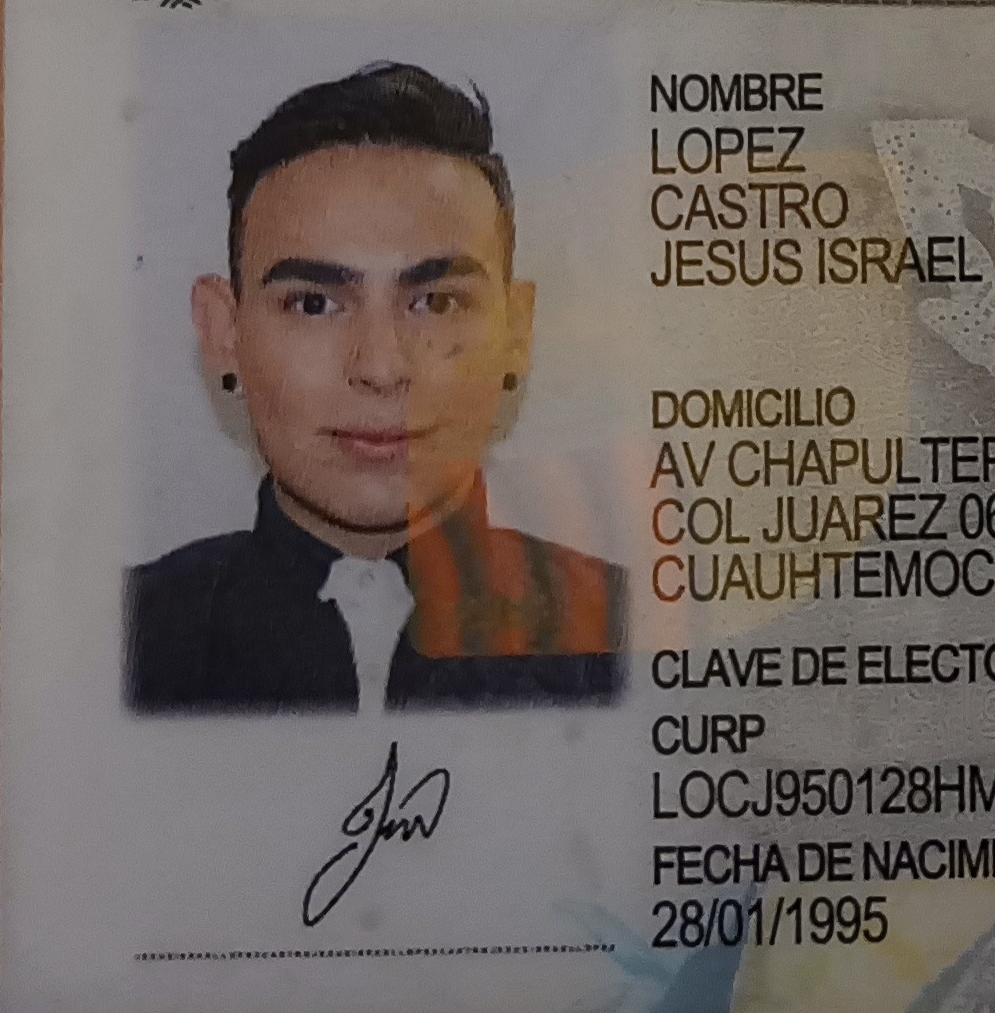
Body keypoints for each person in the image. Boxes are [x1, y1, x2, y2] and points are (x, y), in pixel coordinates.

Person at [127, 63, 623, 711]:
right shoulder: (111, 645)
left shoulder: (636, 639)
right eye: (313, 304)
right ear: (224, 334)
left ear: (516, 332)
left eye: (436, 303)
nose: (382, 368)